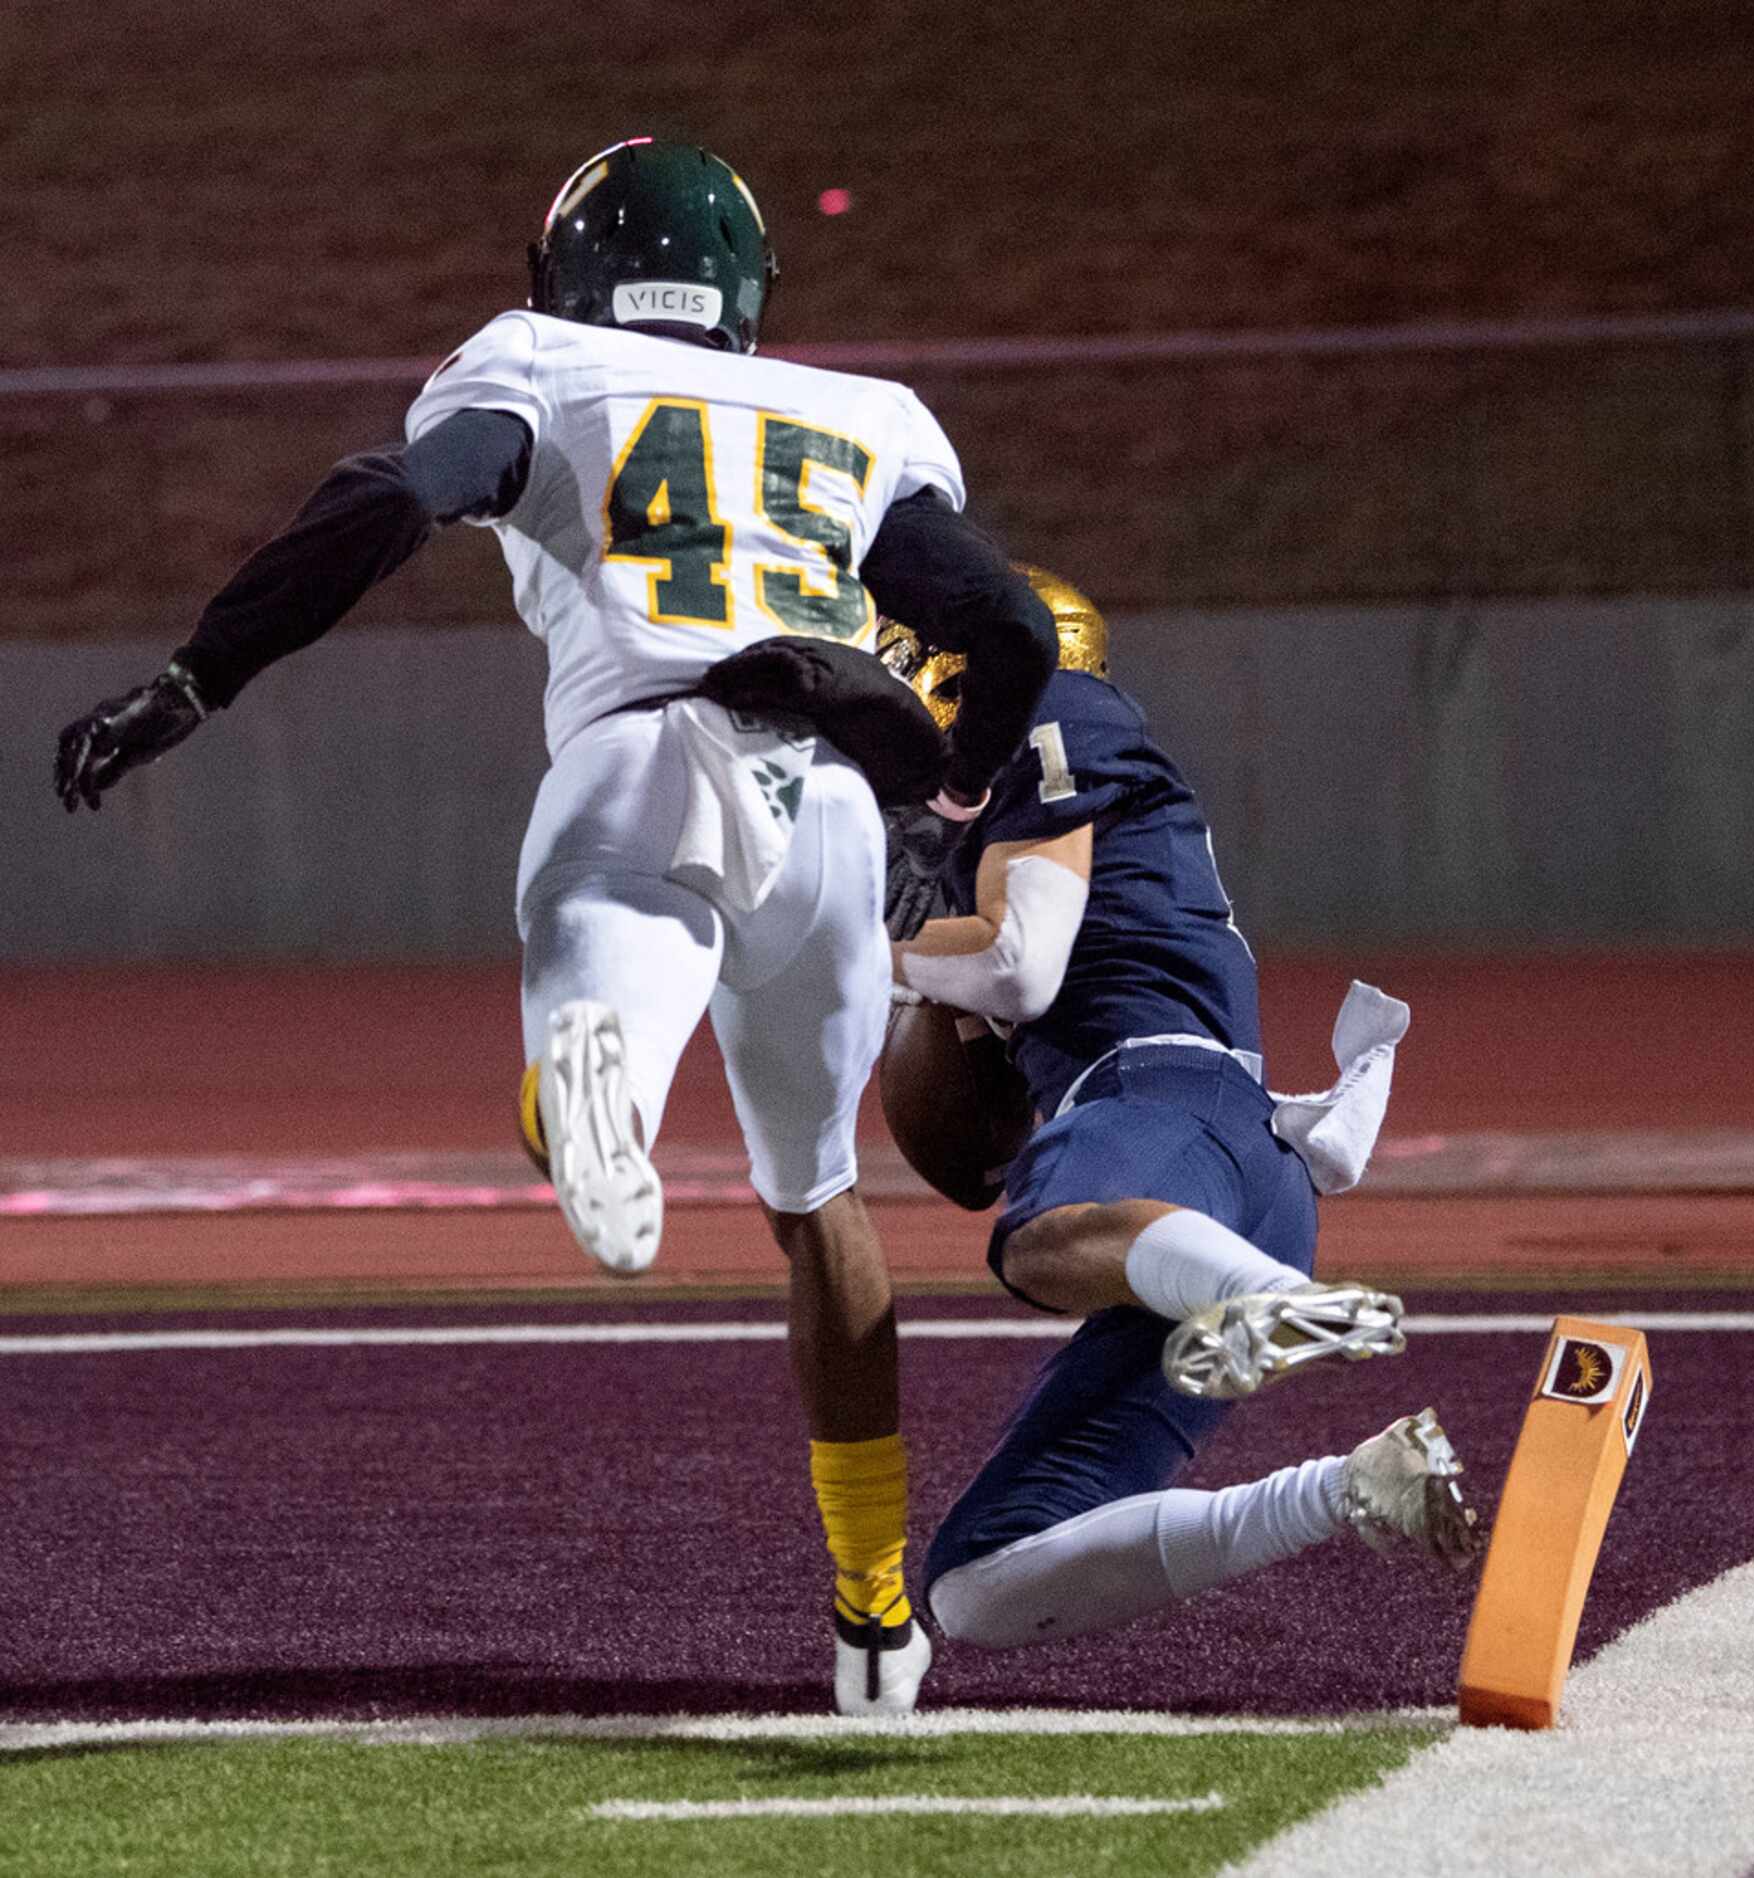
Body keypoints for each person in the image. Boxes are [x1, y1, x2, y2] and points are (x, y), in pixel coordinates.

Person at [53, 139, 1058, 1713]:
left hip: (639, 757)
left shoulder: (539, 362)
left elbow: (387, 497)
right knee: (817, 1196)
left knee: (598, 1035)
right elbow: (1001, 622)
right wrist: (949, 805)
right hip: (832, 812)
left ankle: (584, 1090)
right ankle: (872, 1615)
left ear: (569, 275)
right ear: (740, 291)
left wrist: (199, 675)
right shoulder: (863, 416)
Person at [878, 571, 1480, 1655]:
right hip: (1214, 1169)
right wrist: (919, 976)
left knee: (1038, 1241)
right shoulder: (1001, 826)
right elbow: (969, 1154)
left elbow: (1018, 967)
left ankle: (1275, 1305)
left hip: (1165, 1100)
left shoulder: (1056, 709)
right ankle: (1350, 1486)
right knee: (979, 1583)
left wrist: (850, 955)